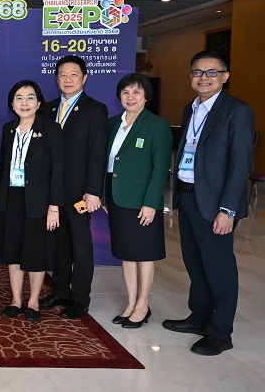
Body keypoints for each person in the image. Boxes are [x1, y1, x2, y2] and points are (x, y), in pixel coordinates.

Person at [163, 50, 255, 355]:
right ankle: (199, 317)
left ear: (224, 76)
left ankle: (220, 332)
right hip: (189, 197)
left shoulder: (237, 111)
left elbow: (240, 165)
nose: (203, 78)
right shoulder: (190, 109)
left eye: (211, 72)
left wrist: (227, 210)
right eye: (197, 72)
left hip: (216, 204)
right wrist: (178, 197)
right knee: (195, 262)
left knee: (219, 267)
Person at [39, 55, 108, 319]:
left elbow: (98, 153)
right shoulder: (47, 109)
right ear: (56, 79)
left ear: (84, 78)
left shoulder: (95, 109)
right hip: (53, 191)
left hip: (80, 193)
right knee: (59, 244)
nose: (68, 79)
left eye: (74, 74)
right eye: (63, 75)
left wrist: (94, 191)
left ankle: (80, 297)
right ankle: (61, 290)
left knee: (80, 245)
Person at [0, 80, 64, 322]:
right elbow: (4, 168)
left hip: (38, 201)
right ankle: (16, 300)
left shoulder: (51, 129)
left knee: (35, 253)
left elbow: (58, 170)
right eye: (19, 98)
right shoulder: (8, 129)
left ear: (39, 103)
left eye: (30, 97)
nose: (25, 103)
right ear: (12, 104)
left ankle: (33, 301)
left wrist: (54, 206)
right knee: (12, 251)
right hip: (12, 198)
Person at [103, 73, 172, 329]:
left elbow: (160, 169)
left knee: (144, 255)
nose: (130, 97)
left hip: (142, 201)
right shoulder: (112, 123)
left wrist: (151, 203)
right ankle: (131, 302)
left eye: (136, 92)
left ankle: (143, 305)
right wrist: (104, 195)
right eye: (125, 92)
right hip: (117, 198)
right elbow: (106, 164)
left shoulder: (157, 126)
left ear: (146, 96)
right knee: (127, 254)